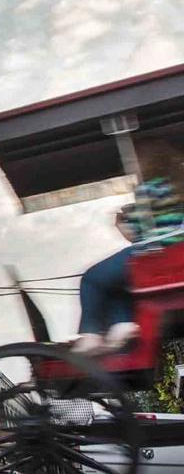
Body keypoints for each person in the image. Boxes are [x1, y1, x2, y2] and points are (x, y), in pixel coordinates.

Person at [75, 140, 184, 355]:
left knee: (92, 279)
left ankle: (91, 335)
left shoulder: (147, 189)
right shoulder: (179, 188)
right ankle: (122, 325)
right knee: (117, 283)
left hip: (158, 257)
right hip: (177, 253)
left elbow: (141, 232)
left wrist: (122, 221)